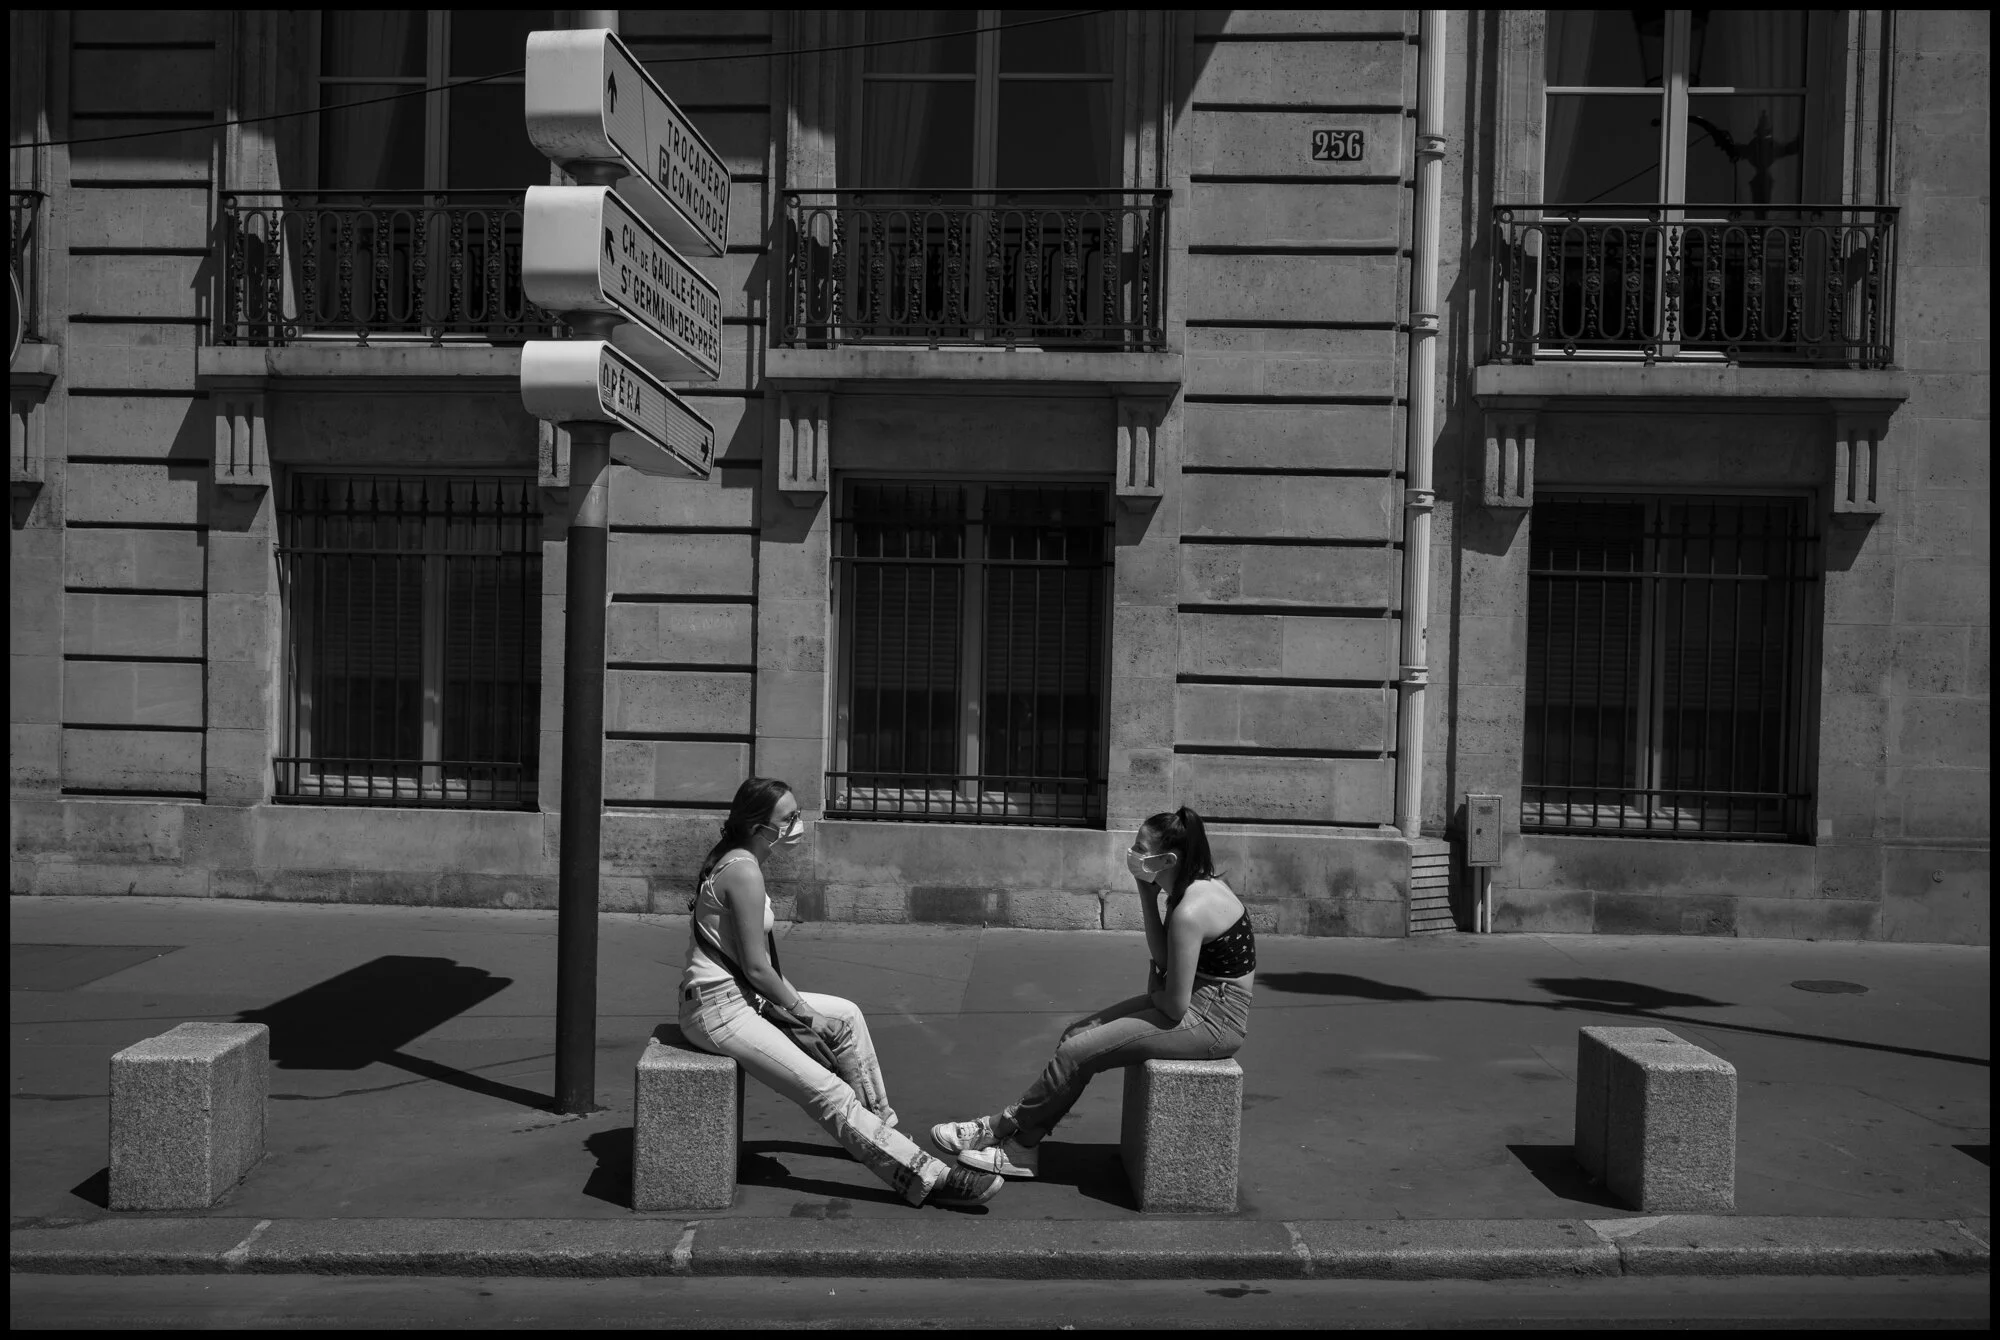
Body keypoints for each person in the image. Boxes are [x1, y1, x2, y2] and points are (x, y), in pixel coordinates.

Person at [679, 776, 1003, 1208]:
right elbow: (757, 968)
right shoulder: (743, 871)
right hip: (720, 1011)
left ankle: (880, 1130)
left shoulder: (739, 858)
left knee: (847, 1016)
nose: (799, 823)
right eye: (789, 817)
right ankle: (929, 1177)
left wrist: (801, 1008)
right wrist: (804, 1013)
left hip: (740, 997)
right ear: (760, 826)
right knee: (828, 1092)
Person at [932, 805, 1255, 1179]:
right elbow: (1165, 958)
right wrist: (1147, 897)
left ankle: (1010, 1138)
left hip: (1212, 1020)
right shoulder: (1187, 889)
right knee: (1076, 1034)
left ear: (1166, 858)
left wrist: (1152, 994)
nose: (1131, 855)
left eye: (1139, 849)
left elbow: (1174, 1005)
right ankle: (1014, 1132)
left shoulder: (1191, 909)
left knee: (1077, 1053)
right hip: (1197, 1002)